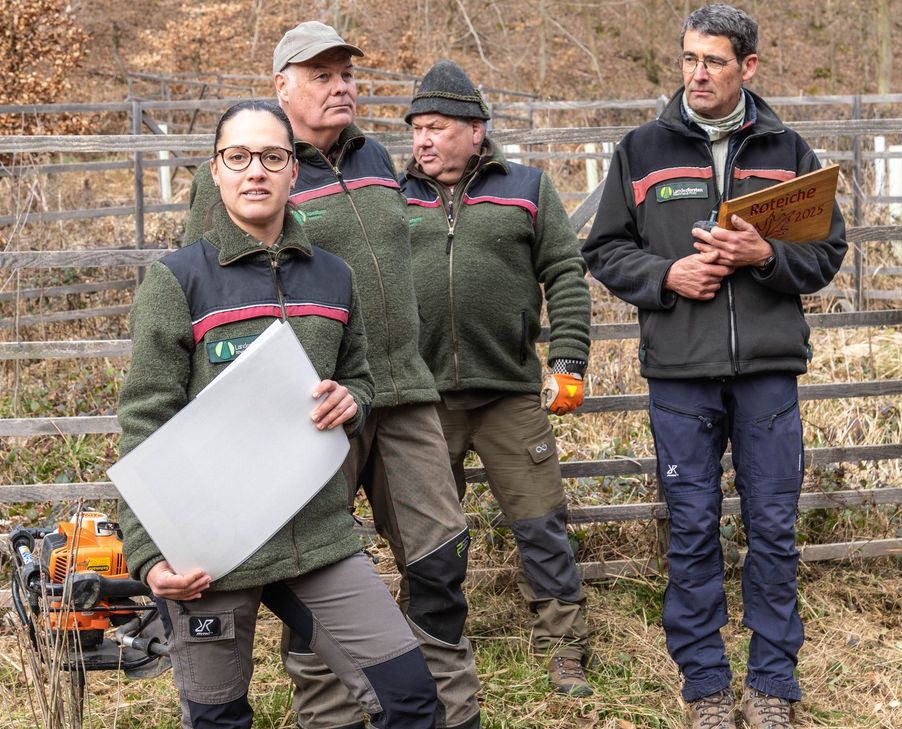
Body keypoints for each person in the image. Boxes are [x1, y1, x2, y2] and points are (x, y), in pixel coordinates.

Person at [184, 22, 480, 729]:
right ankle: (332, 716)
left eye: (346, 73)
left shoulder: (375, 155)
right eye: (321, 75)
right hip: (310, 407)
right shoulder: (248, 171)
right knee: (315, 566)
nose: (341, 86)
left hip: (403, 392)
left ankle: (449, 711)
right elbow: (211, 290)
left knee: (439, 558)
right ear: (281, 86)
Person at [117, 100, 437, 729]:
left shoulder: (335, 278)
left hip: (316, 538)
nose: (255, 171)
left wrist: (352, 401)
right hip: (208, 550)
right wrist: (148, 552)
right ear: (216, 170)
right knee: (218, 718)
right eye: (238, 157)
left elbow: (359, 377)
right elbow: (144, 421)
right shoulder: (177, 282)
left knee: (410, 698)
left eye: (271, 156)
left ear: (294, 170)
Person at [582, 5, 847, 728]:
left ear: (747, 67)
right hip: (681, 371)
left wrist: (766, 257)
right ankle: (705, 686)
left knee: (773, 526)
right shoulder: (642, 150)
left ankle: (771, 685)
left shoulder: (788, 150)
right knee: (694, 527)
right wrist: (666, 276)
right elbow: (604, 249)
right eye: (689, 59)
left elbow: (826, 254)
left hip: (767, 372)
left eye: (714, 61)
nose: (697, 74)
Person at [401, 60, 594, 696]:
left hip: (509, 393)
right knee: (427, 534)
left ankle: (563, 644)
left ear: (476, 131)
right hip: (423, 400)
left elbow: (565, 274)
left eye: (436, 128)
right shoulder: (393, 198)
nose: (423, 140)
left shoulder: (528, 188)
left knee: (540, 523)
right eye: (416, 129)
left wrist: (568, 360)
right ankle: (428, 644)